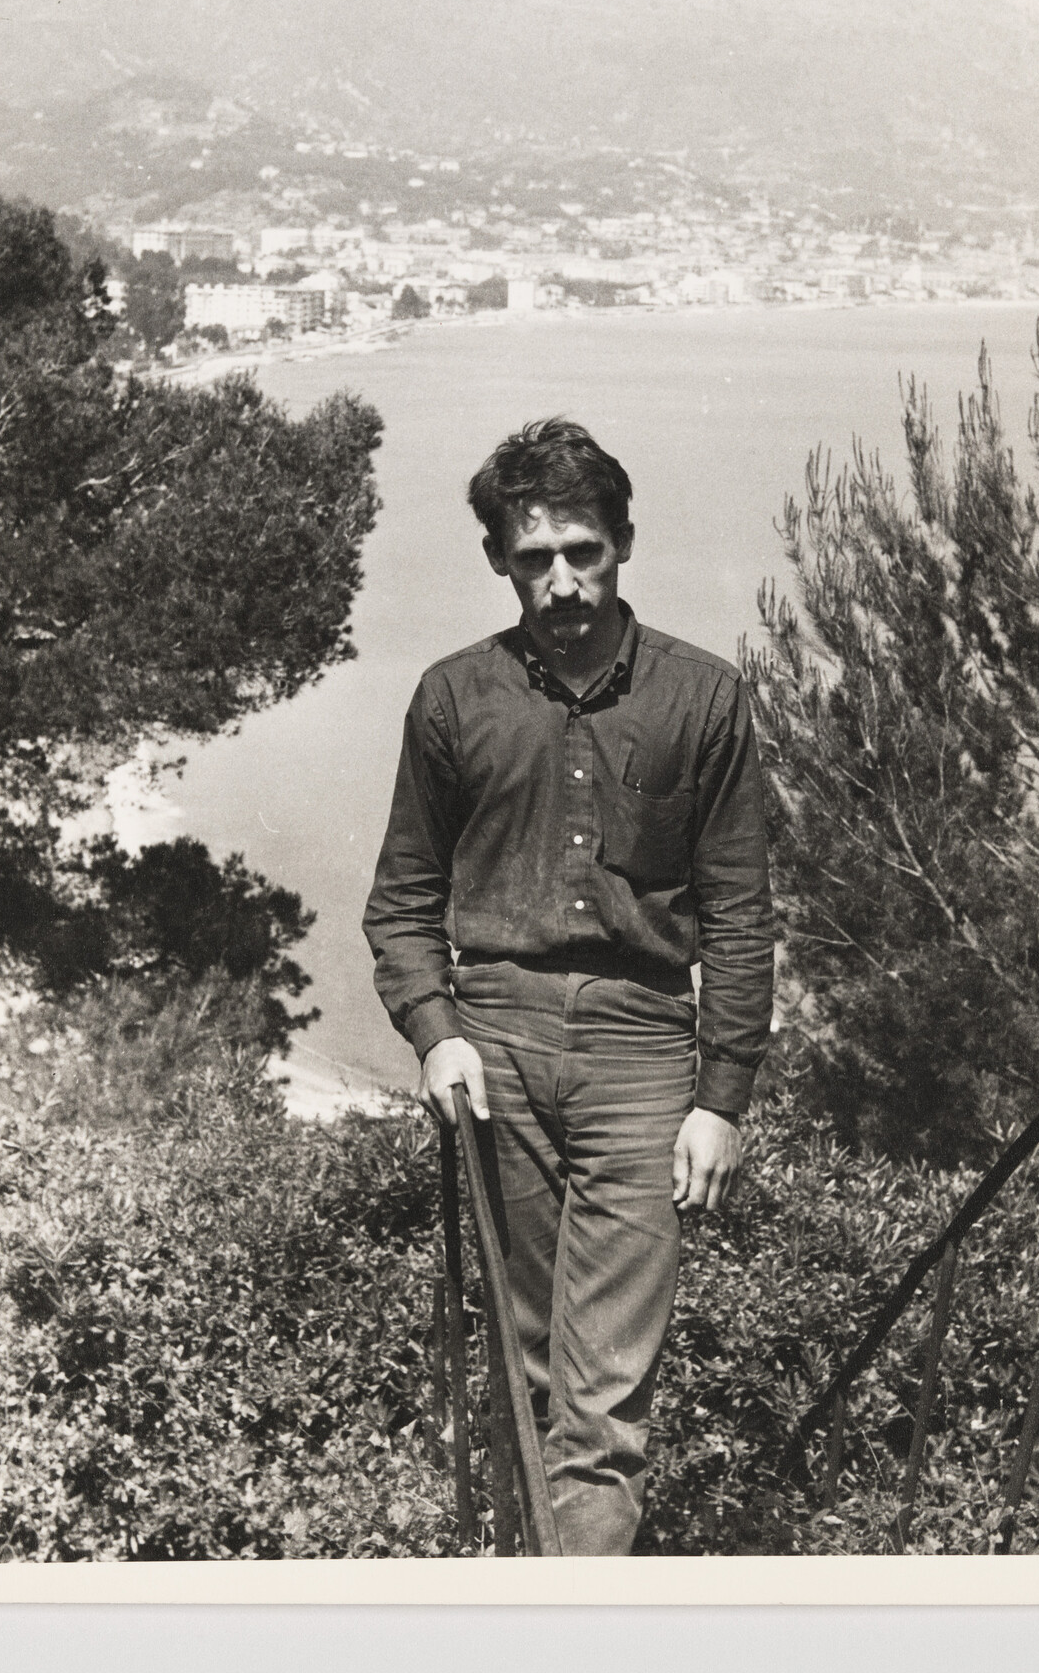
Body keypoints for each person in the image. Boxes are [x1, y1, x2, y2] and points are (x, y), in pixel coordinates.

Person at [362, 416, 775, 1554]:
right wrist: (436, 1032)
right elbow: (399, 904)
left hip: (643, 1060)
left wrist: (719, 1096)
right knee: (521, 1366)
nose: (562, 582)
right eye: (534, 556)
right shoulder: (453, 700)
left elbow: (741, 914)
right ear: (498, 558)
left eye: (582, 551)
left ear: (623, 542)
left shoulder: (703, 700)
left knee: (601, 1404)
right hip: (492, 1054)